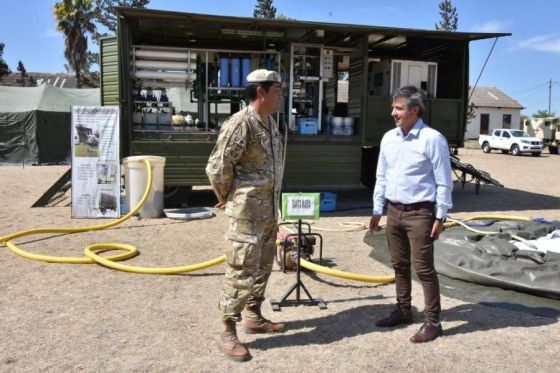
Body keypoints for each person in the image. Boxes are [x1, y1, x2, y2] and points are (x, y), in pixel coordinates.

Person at [206, 69, 286, 361]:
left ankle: (254, 315)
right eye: (276, 90)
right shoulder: (241, 124)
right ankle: (227, 330)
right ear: (260, 92)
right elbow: (217, 167)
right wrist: (227, 197)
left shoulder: (269, 122)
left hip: (268, 213)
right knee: (241, 270)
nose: (281, 96)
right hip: (247, 214)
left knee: (263, 266)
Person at [369, 85, 453, 343]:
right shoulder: (388, 138)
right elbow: (381, 176)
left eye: (399, 108)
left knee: (424, 269)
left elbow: (443, 182)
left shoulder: (432, 139)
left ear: (415, 110)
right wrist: (377, 210)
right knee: (399, 264)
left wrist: (440, 217)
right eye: (393, 107)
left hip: (421, 214)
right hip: (394, 211)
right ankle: (404, 310)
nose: (393, 112)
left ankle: (433, 321)